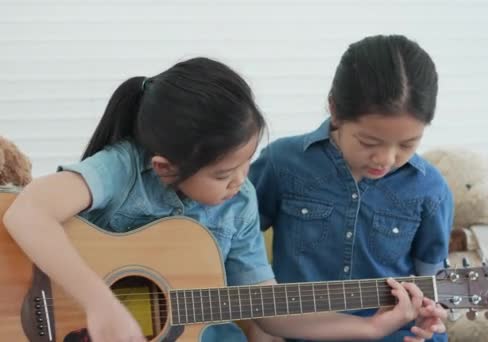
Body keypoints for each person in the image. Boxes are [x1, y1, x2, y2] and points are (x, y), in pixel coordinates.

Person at [3, 57, 434, 342]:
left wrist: (373, 327)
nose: (241, 184)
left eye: (247, 163)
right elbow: (27, 211)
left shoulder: (239, 202)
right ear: (165, 166)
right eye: (225, 174)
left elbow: (271, 310)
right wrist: (100, 302)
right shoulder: (122, 167)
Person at [249, 35, 451, 342]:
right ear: (334, 109)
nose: (386, 159)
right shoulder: (282, 163)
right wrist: (256, 327)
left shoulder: (431, 189)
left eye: (408, 144)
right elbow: (230, 246)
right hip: (298, 332)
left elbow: (435, 286)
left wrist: (432, 314)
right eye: (369, 142)